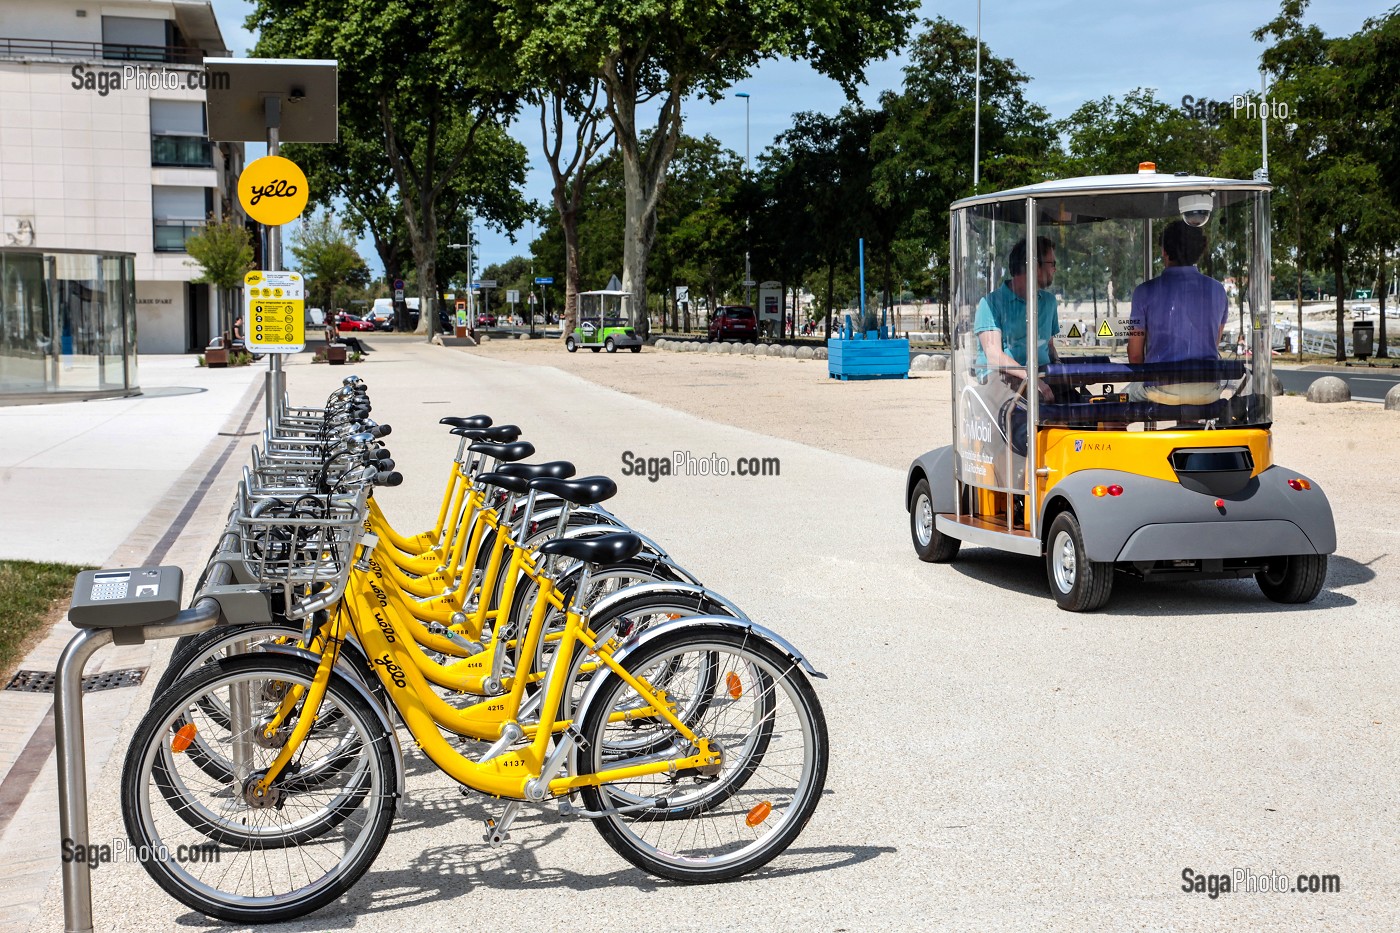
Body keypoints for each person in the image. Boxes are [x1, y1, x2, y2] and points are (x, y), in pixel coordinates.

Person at [1125, 220, 1229, 404]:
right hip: (1207, 388)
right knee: (1191, 406)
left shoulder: (1144, 292)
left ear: (1164, 251)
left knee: (1111, 411)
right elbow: (1213, 342)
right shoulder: (1218, 290)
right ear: (1199, 251)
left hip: (1160, 387)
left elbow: (1135, 354)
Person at [974, 236, 1059, 400]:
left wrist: (1064, 372)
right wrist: (1031, 379)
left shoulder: (1049, 302)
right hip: (999, 376)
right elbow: (994, 356)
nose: (1055, 269)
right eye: (1052, 264)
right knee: (1029, 407)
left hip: (1041, 374)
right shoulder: (991, 304)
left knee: (1087, 407)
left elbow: (1049, 347)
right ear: (1034, 265)